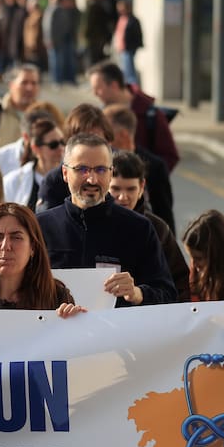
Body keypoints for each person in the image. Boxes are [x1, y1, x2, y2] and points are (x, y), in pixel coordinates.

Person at [36, 133, 176, 306]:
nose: (92, 179)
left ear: (110, 174)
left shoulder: (139, 228)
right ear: (65, 173)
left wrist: (137, 293)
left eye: (100, 170)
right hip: (54, 331)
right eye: (82, 169)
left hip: (118, 332)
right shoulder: (40, 227)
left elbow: (168, 294)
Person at [109, 150, 190, 301]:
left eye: (130, 189)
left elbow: (179, 282)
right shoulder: (92, 223)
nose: (123, 197)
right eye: (116, 189)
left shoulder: (158, 229)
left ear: (142, 187)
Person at [88, 60, 179, 171]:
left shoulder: (151, 114)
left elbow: (170, 156)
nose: (95, 94)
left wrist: (144, 178)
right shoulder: (100, 115)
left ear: (114, 85)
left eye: (98, 89)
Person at [104, 104, 175, 232]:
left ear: (123, 135)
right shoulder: (101, 163)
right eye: (115, 188)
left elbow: (165, 216)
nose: (123, 197)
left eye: (107, 136)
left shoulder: (156, 167)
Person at [36, 103, 114, 212]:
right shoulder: (53, 182)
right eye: (83, 141)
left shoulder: (125, 169)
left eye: (96, 141)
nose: (92, 180)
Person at [0, 64, 41, 150]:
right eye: (24, 82)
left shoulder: (44, 115)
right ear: (11, 85)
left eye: (34, 83)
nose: (29, 88)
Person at [3, 118, 64, 209]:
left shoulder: (71, 177)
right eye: (53, 145)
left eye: (63, 142)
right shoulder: (13, 181)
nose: (61, 148)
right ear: (36, 148)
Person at [49, 0, 80, 85]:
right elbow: (49, 26)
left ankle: (70, 79)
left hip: (69, 39)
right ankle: (57, 80)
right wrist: (50, 39)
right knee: (57, 61)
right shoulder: (55, 10)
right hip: (57, 39)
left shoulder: (71, 11)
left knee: (69, 60)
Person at [112, 0, 143, 85]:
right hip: (121, 48)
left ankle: (133, 89)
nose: (120, 10)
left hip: (128, 48)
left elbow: (137, 35)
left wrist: (133, 46)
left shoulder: (133, 20)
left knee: (129, 71)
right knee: (125, 71)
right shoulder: (122, 19)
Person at [83, 0, 112, 67]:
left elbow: (91, 24)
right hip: (96, 38)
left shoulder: (96, 6)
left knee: (95, 60)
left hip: (96, 38)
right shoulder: (96, 5)